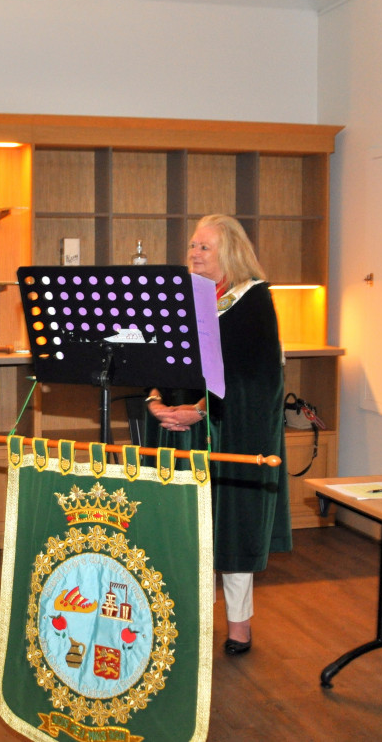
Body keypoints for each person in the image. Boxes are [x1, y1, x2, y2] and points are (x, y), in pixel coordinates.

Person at [143, 213, 291, 655]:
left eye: (204, 247)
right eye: (192, 245)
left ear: (230, 252)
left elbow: (255, 376)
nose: (193, 253)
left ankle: (238, 626)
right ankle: (191, 619)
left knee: (231, 528)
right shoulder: (183, 297)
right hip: (179, 430)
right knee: (185, 528)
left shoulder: (252, 299)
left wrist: (199, 411)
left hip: (230, 431)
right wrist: (155, 400)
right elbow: (161, 361)